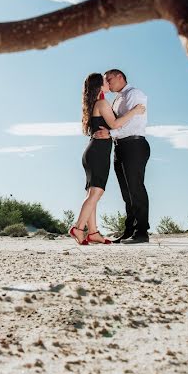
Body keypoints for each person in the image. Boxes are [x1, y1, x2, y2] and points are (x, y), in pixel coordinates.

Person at [69, 73, 146, 245]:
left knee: (92, 194)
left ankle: (94, 232)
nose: (108, 83)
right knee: (97, 192)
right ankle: (78, 228)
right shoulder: (102, 103)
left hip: (93, 152)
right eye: (105, 81)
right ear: (98, 85)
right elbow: (116, 124)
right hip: (97, 153)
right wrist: (135, 111)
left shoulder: (96, 103)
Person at [93, 69, 150, 244]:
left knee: (135, 188)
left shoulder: (134, 94)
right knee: (126, 192)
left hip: (134, 144)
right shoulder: (117, 99)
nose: (108, 84)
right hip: (121, 146)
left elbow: (133, 122)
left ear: (120, 77)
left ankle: (142, 232)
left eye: (109, 79)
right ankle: (129, 231)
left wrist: (110, 133)